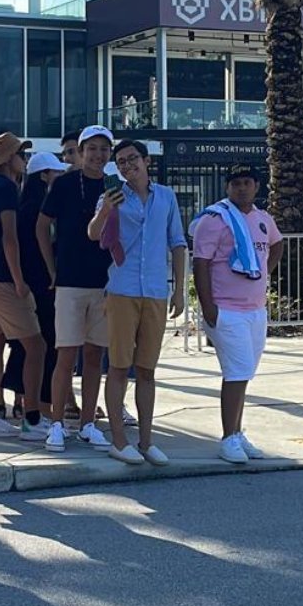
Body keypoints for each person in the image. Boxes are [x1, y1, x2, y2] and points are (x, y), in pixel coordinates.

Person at [88, 139, 186, 465]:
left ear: (145, 161)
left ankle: (146, 441)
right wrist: (106, 209)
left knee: (147, 369)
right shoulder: (112, 196)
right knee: (118, 366)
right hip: (122, 289)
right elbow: (92, 233)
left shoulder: (166, 197)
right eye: (121, 163)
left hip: (155, 290)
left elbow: (177, 242)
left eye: (132, 160)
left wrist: (180, 290)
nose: (128, 167)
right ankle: (119, 439)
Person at [191, 167, 284, 463]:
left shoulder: (262, 218)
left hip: (255, 310)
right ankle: (228, 438)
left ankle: (238, 431)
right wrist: (208, 306)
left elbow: (276, 245)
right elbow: (201, 263)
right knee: (236, 373)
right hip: (226, 309)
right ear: (227, 187)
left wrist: (263, 275)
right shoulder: (214, 219)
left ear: (256, 185)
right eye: (235, 183)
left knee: (245, 374)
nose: (241, 188)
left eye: (246, 183)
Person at [39, 125, 117, 452]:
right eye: (92, 148)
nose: (98, 154)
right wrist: (51, 268)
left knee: (95, 356)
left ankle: (88, 424)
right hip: (69, 281)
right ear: (81, 150)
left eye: (103, 149)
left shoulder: (116, 186)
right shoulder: (65, 184)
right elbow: (42, 226)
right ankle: (57, 424)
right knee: (65, 354)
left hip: (106, 283)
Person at [0, 133, 48, 441]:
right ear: (8, 160)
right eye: (21, 154)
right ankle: (31, 417)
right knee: (36, 345)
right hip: (2, 278)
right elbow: (9, 237)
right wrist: (19, 280)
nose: (25, 160)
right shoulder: (6, 189)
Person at [8, 151, 65, 449]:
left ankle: (30, 406)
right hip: (41, 285)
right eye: (56, 172)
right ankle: (37, 410)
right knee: (42, 346)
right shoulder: (36, 207)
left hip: (36, 284)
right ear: (44, 176)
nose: (61, 176)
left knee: (32, 346)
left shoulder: (27, 203)